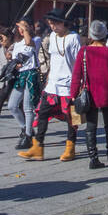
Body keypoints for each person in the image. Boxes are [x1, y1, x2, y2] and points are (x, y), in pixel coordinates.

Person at [19, 9, 81, 161]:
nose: (53, 27)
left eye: (55, 24)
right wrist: (47, 77)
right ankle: (37, 147)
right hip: (52, 84)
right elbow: (52, 59)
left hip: (69, 85)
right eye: (51, 24)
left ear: (63, 23)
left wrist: (78, 85)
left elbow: (79, 62)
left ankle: (70, 147)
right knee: (42, 114)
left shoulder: (74, 38)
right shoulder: (52, 36)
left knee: (72, 118)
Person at [72, 20, 108, 168]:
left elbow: (76, 75)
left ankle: (93, 158)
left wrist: (73, 94)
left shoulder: (84, 51)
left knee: (91, 126)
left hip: (90, 94)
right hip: (107, 93)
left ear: (92, 35)